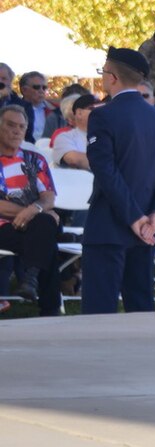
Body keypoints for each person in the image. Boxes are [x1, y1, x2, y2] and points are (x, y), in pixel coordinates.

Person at [80, 48, 155, 314]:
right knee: (141, 309)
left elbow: (106, 172)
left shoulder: (103, 115)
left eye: (103, 72)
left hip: (110, 225)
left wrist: (135, 218)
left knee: (98, 312)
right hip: (148, 229)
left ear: (112, 77)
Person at [0, 102, 63, 316]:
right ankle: (50, 308)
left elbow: (49, 197)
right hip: (3, 227)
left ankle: (32, 277)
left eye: (21, 126)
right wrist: (31, 210)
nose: (17, 131)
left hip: (32, 225)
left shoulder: (34, 159)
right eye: (10, 125)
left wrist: (35, 208)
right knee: (47, 236)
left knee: (44, 229)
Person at [49, 94, 96, 169]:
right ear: (80, 113)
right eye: (94, 108)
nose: (101, 111)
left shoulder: (112, 135)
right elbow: (74, 160)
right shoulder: (64, 138)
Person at [14, 72, 57, 140]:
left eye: (44, 87)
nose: (41, 91)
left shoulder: (56, 110)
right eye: (37, 87)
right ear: (24, 90)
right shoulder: (13, 111)